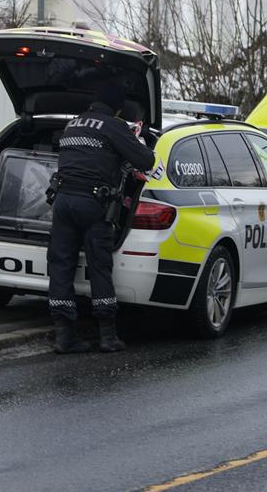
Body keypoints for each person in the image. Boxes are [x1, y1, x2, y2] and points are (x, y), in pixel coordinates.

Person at [45, 80, 155, 354]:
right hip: (93, 203)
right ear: (117, 107)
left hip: (62, 201)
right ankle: (107, 336)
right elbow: (146, 161)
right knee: (99, 266)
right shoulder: (113, 126)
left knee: (60, 265)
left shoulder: (73, 125)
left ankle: (64, 336)